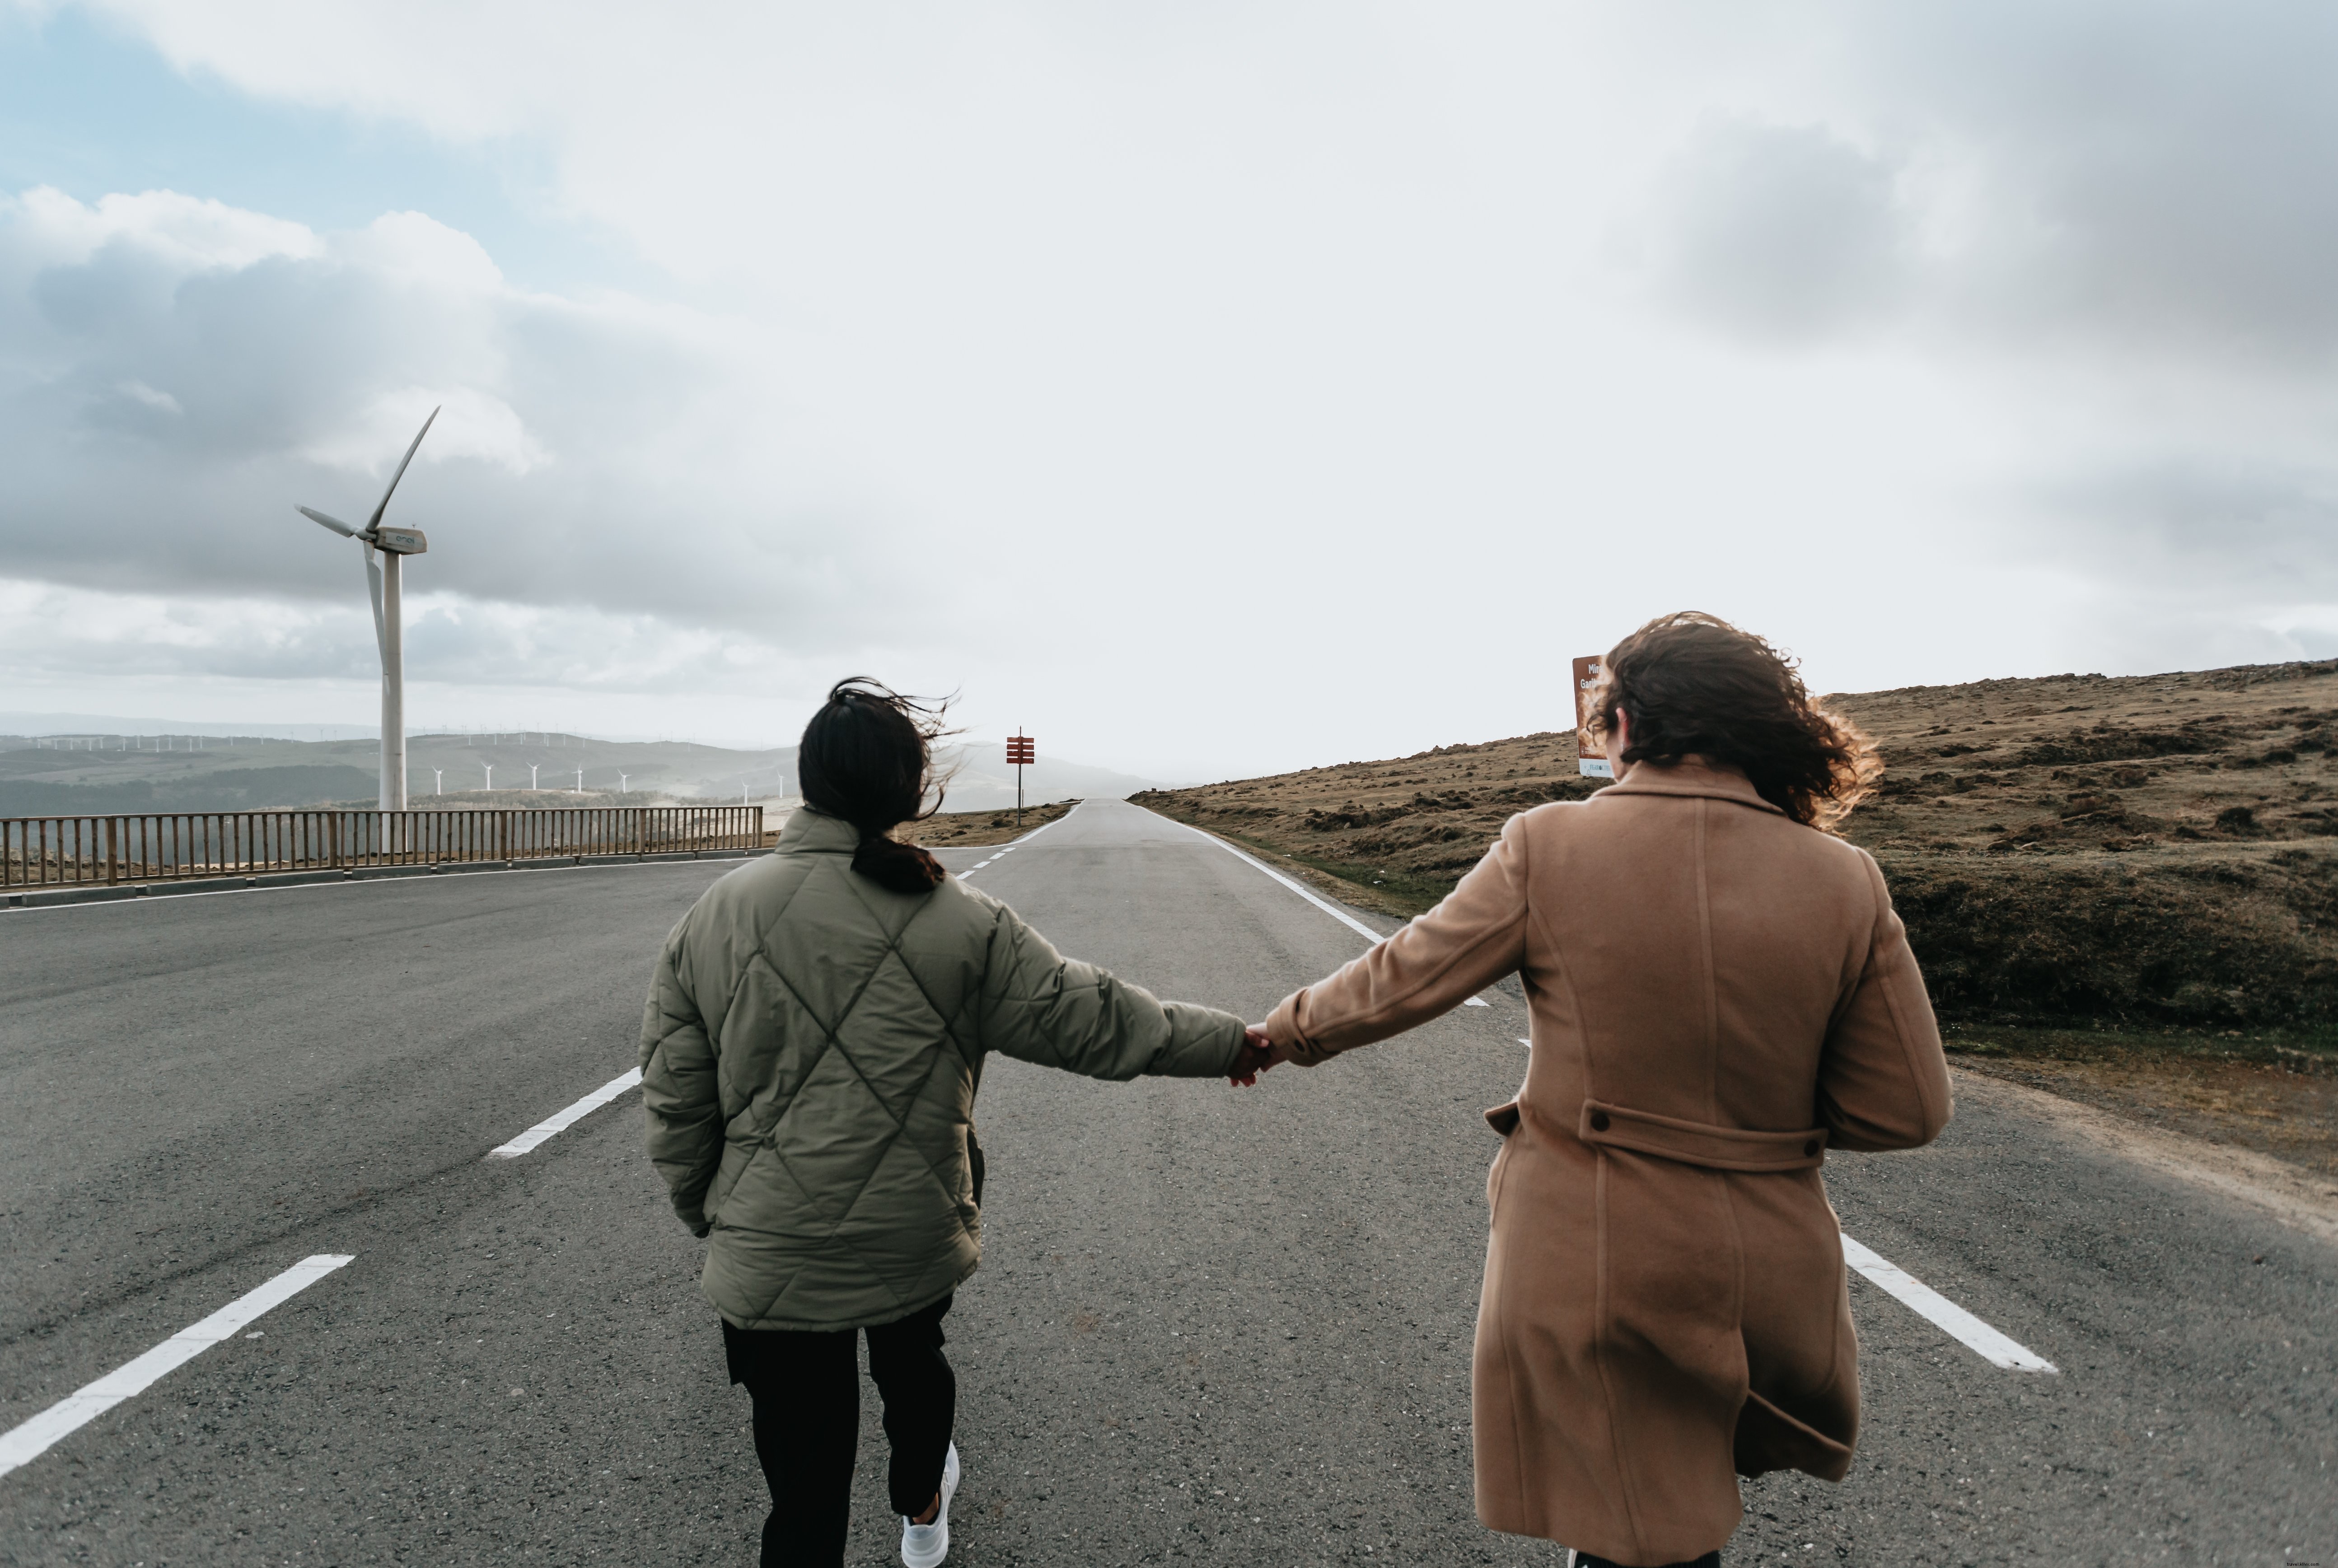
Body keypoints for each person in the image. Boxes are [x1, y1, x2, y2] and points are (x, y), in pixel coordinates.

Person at [1251, 613, 1951, 1568]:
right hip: (1771, 1269)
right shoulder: (1847, 878)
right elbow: (1905, 1110)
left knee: (1635, 1532)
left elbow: (1400, 978)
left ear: (1624, 723)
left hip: (1594, 1254)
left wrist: (1277, 1033)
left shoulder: (1548, 846)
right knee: (1663, 1522)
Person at [639, 678, 1272, 1568]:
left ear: (811, 781)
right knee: (913, 1362)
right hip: (909, 1230)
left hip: (768, 1247)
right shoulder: (958, 916)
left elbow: (674, 1099)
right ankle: (922, 1501)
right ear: (909, 789)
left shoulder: (714, 916)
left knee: (802, 1495)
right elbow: (1093, 1017)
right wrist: (1234, 1043)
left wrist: (714, 1212)